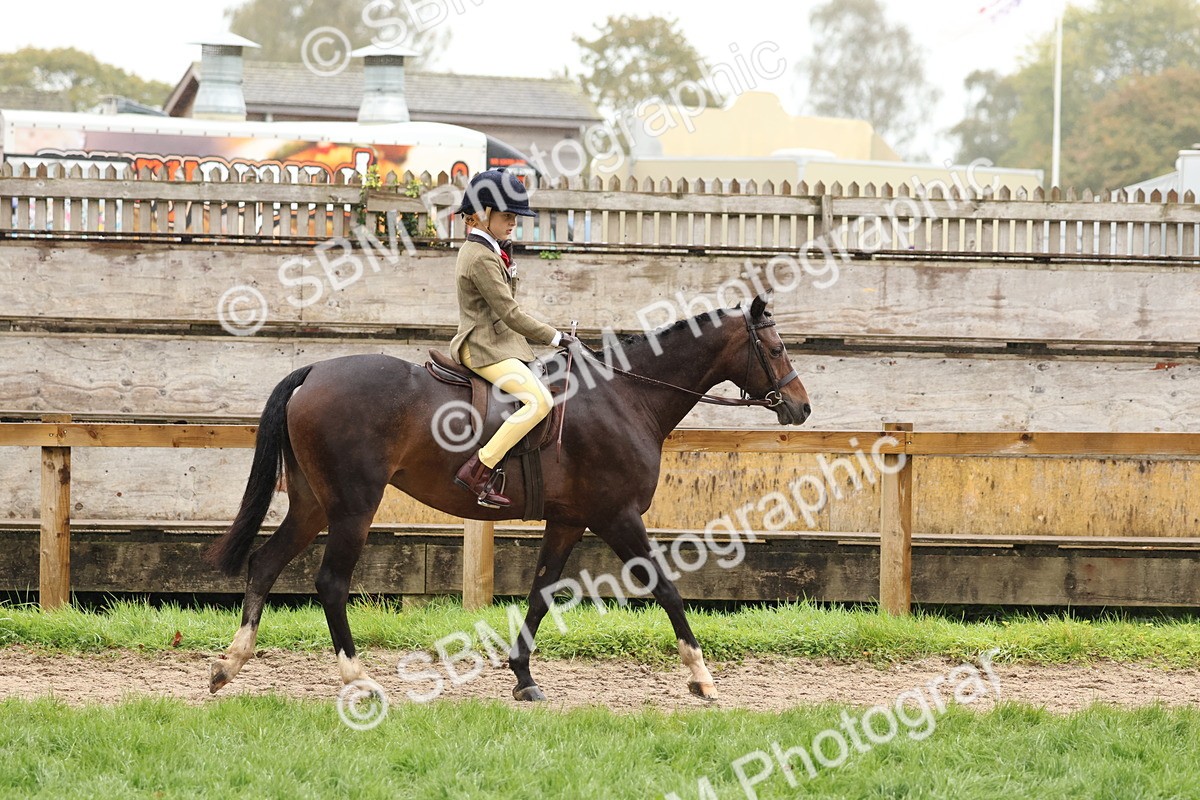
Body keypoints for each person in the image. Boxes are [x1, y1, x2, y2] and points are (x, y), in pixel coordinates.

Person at [449, 169, 578, 508]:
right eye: (507, 216)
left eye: (514, 217)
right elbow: (511, 314)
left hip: (499, 343)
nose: (513, 223)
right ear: (481, 214)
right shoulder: (479, 257)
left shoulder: (490, 251)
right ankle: (480, 468)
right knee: (539, 402)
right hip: (483, 348)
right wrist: (558, 338)